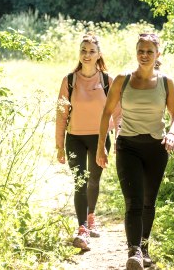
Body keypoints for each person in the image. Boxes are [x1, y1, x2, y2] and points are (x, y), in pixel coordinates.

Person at [96, 33, 174, 269]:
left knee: (148, 202)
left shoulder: (166, 82)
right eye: (141, 51)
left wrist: (172, 134)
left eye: (149, 52)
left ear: (158, 55)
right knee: (133, 201)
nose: (144, 55)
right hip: (128, 145)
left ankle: (144, 248)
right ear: (136, 53)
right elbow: (106, 113)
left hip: (156, 147)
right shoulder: (123, 80)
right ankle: (133, 251)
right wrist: (101, 145)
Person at [55, 33, 121, 251]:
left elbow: (118, 112)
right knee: (80, 181)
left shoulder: (106, 81)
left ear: (98, 54)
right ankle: (82, 228)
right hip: (74, 138)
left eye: (91, 51)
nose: (87, 55)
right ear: (79, 53)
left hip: (100, 138)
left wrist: (118, 137)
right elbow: (61, 115)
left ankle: (91, 217)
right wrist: (59, 145)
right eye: (83, 50)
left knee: (93, 180)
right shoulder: (70, 80)